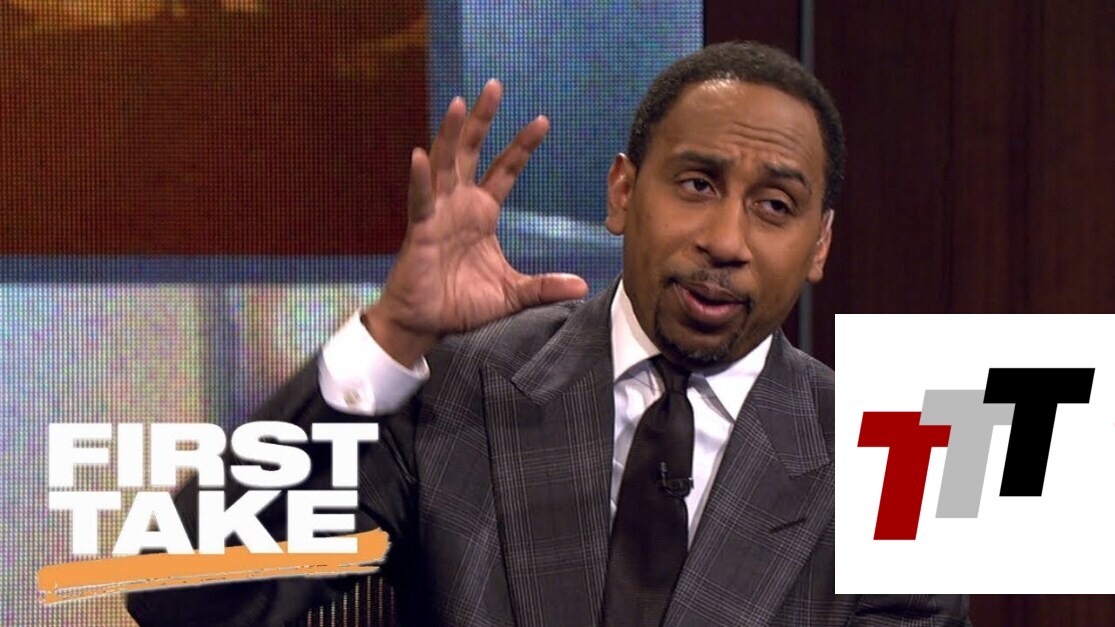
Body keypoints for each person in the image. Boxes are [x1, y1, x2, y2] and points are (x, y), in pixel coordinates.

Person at [128, 42, 971, 626]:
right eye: (695, 184)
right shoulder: (458, 386)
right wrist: (392, 335)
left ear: (818, 245)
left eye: (774, 205)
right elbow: (181, 591)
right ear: (621, 193)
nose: (725, 239)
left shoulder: (890, 455)